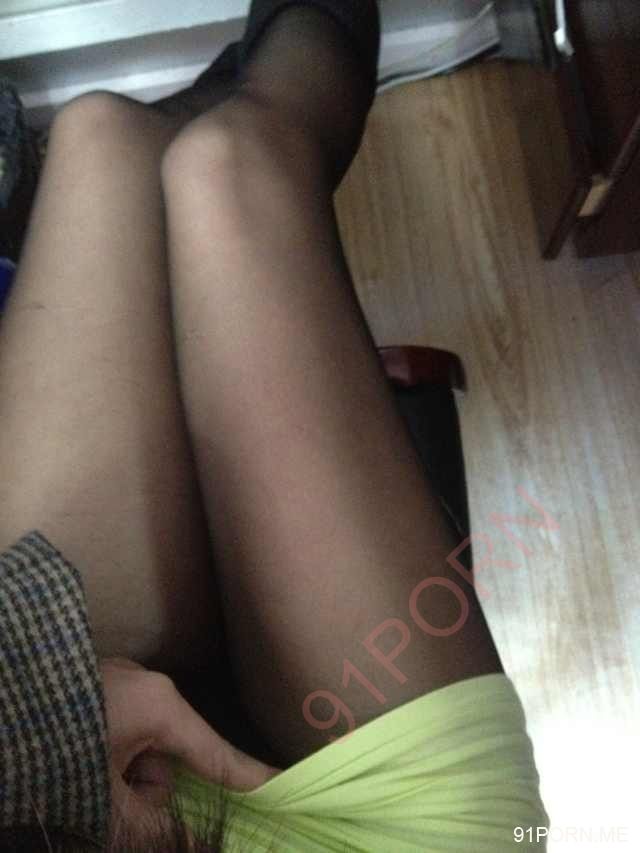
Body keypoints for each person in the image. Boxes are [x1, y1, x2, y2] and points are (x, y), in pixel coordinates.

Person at [0, 1, 549, 850]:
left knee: (100, 136)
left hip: (47, 797)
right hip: (375, 835)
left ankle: (233, 85)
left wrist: (19, 730)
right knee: (230, 162)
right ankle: (263, 73)